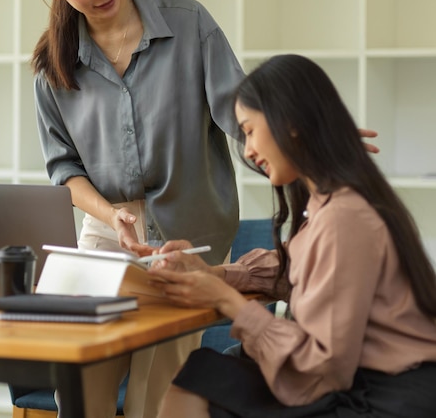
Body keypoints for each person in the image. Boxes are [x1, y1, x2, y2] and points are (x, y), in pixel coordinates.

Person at [28, 0, 246, 418]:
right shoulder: (52, 68)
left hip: (190, 231)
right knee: (79, 385)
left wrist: (312, 142)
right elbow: (65, 172)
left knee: (157, 392)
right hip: (107, 234)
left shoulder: (189, 24)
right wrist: (111, 216)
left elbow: (243, 120)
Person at [148, 54, 436, 418]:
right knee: (204, 373)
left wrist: (226, 299)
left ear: (292, 123)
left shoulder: (343, 216)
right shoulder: (329, 204)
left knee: (201, 378)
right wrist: (212, 274)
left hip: (383, 397)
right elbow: (300, 267)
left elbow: (324, 367)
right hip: (367, 380)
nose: (248, 150)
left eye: (250, 130)